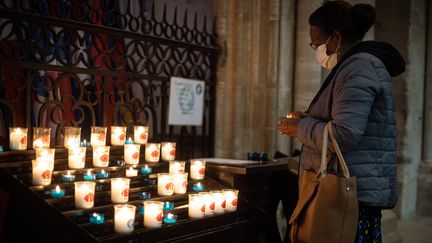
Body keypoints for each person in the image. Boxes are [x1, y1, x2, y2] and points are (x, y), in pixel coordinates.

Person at [277, 1, 405, 242]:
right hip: (353, 193)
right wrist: (309, 119)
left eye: (316, 43)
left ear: (336, 36)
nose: (316, 49)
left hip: (351, 199)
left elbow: (345, 134)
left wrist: (300, 129)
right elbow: (348, 119)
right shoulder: (353, 66)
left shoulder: (359, 67)